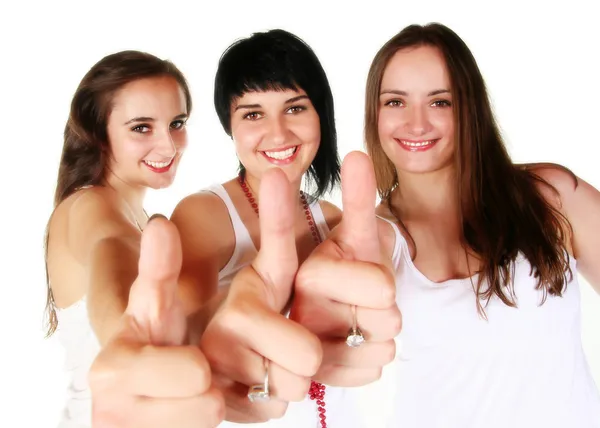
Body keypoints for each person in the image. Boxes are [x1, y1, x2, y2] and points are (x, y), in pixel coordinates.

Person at [358, 22, 600, 427]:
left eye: (440, 102)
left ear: (470, 107)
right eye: (395, 102)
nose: (416, 124)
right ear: (374, 114)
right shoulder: (375, 235)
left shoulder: (551, 196)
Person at [170, 29, 367, 427]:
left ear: (321, 115)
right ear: (230, 126)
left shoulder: (333, 220)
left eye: (295, 108)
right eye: (253, 114)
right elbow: (177, 336)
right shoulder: (204, 215)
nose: (278, 133)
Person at [44, 50, 223, 428]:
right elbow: (111, 255)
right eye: (141, 127)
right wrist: (124, 333)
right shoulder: (92, 206)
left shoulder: (137, 216)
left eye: (177, 123)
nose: (168, 145)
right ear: (99, 134)